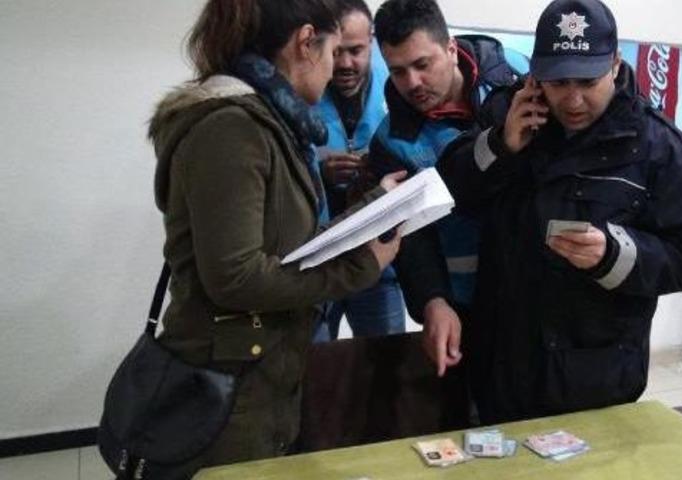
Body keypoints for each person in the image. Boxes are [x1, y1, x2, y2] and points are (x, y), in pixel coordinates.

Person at [148, 0, 404, 473]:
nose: (334, 70)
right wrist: (360, 266)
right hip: (230, 385)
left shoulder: (265, 124)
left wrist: (373, 208)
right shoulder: (232, 127)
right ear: (306, 43)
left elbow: (289, 244)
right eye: (331, 52)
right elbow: (237, 278)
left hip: (262, 372)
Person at [437, 0, 682, 424]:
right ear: (536, 73)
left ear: (616, 65)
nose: (573, 98)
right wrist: (502, 145)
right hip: (503, 364)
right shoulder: (509, 112)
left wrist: (614, 253)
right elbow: (452, 190)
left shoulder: (662, 151)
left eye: (587, 80)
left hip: (595, 375)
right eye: (557, 81)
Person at [369, 0, 529, 377]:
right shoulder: (392, 142)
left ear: (451, 49)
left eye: (422, 65)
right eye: (398, 71)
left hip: (539, 288)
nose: (412, 83)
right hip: (465, 306)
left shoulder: (520, 76)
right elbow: (412, 235)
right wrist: (432, 301)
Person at [311, 0, 406, 341]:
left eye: (356, 50)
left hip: (378, 262)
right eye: (335, 51)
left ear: (373, 40)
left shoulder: (401, 80)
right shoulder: (298, 89)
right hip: (317, 265)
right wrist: (319, 174)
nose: (345, 63)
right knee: (312, 374)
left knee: (387, 368)